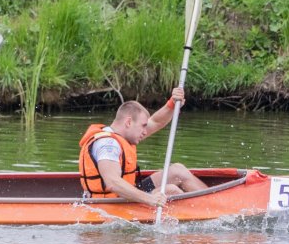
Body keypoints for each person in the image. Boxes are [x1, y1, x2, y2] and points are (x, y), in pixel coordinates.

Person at [77, 87, 208, 207]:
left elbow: (156, 122)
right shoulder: (108, 145)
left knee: (177, 171)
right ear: (128, 122)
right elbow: (113, 183)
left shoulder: (123, 135)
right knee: (171, 191)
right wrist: (150, 199)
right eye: (143, 126)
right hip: (111, 204)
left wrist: (172, 104)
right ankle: (207, 213)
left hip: (126, 193)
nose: (145, 131)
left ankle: (213, 203)